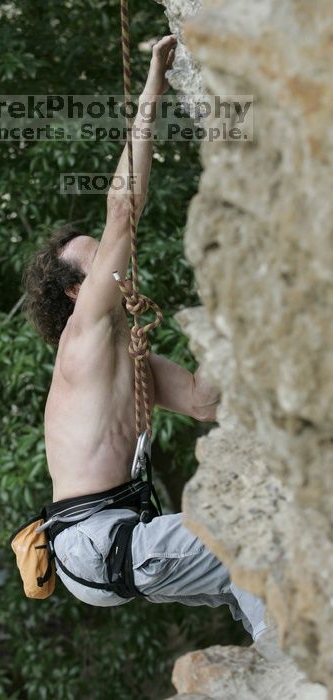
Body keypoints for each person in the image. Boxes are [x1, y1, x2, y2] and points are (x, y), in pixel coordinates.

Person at [23, 35, 267, 641]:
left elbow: (208, 403)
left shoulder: (131, 363)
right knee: (259, 534)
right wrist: (155, 82)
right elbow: (124, 208)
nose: (117, 264)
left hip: (110, 547)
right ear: (76, 295)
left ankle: (286, 653)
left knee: (261, 563)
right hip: (99, 542)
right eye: (98, 260)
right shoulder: (83, 338)